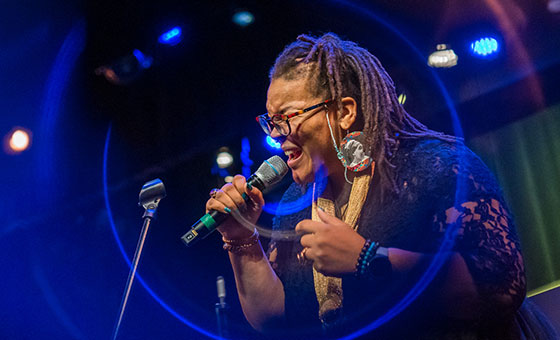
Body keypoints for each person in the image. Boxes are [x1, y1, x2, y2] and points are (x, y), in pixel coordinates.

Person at [205, 33, 552, 339]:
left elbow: (504, 286)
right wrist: (242, 241)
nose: (277, 135)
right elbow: (276, 320)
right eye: (271, 121)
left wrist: (367, 257)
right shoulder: (298, 201)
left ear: (344, 112)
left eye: (287, 117)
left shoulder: (431, 166)